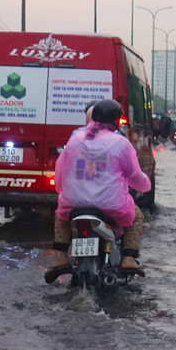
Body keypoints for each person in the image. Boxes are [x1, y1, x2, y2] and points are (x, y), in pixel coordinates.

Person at [48, 98, 151, 276]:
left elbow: (60, 170)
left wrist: (61, 191)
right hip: (111, 206)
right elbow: (134, 175)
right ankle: (128, 258)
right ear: (116, 120)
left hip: (73, 203)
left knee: (60, 216)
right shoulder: (120, 142)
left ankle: (61, 258)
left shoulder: (75, 140)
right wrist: (145, 185)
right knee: (137, 217)